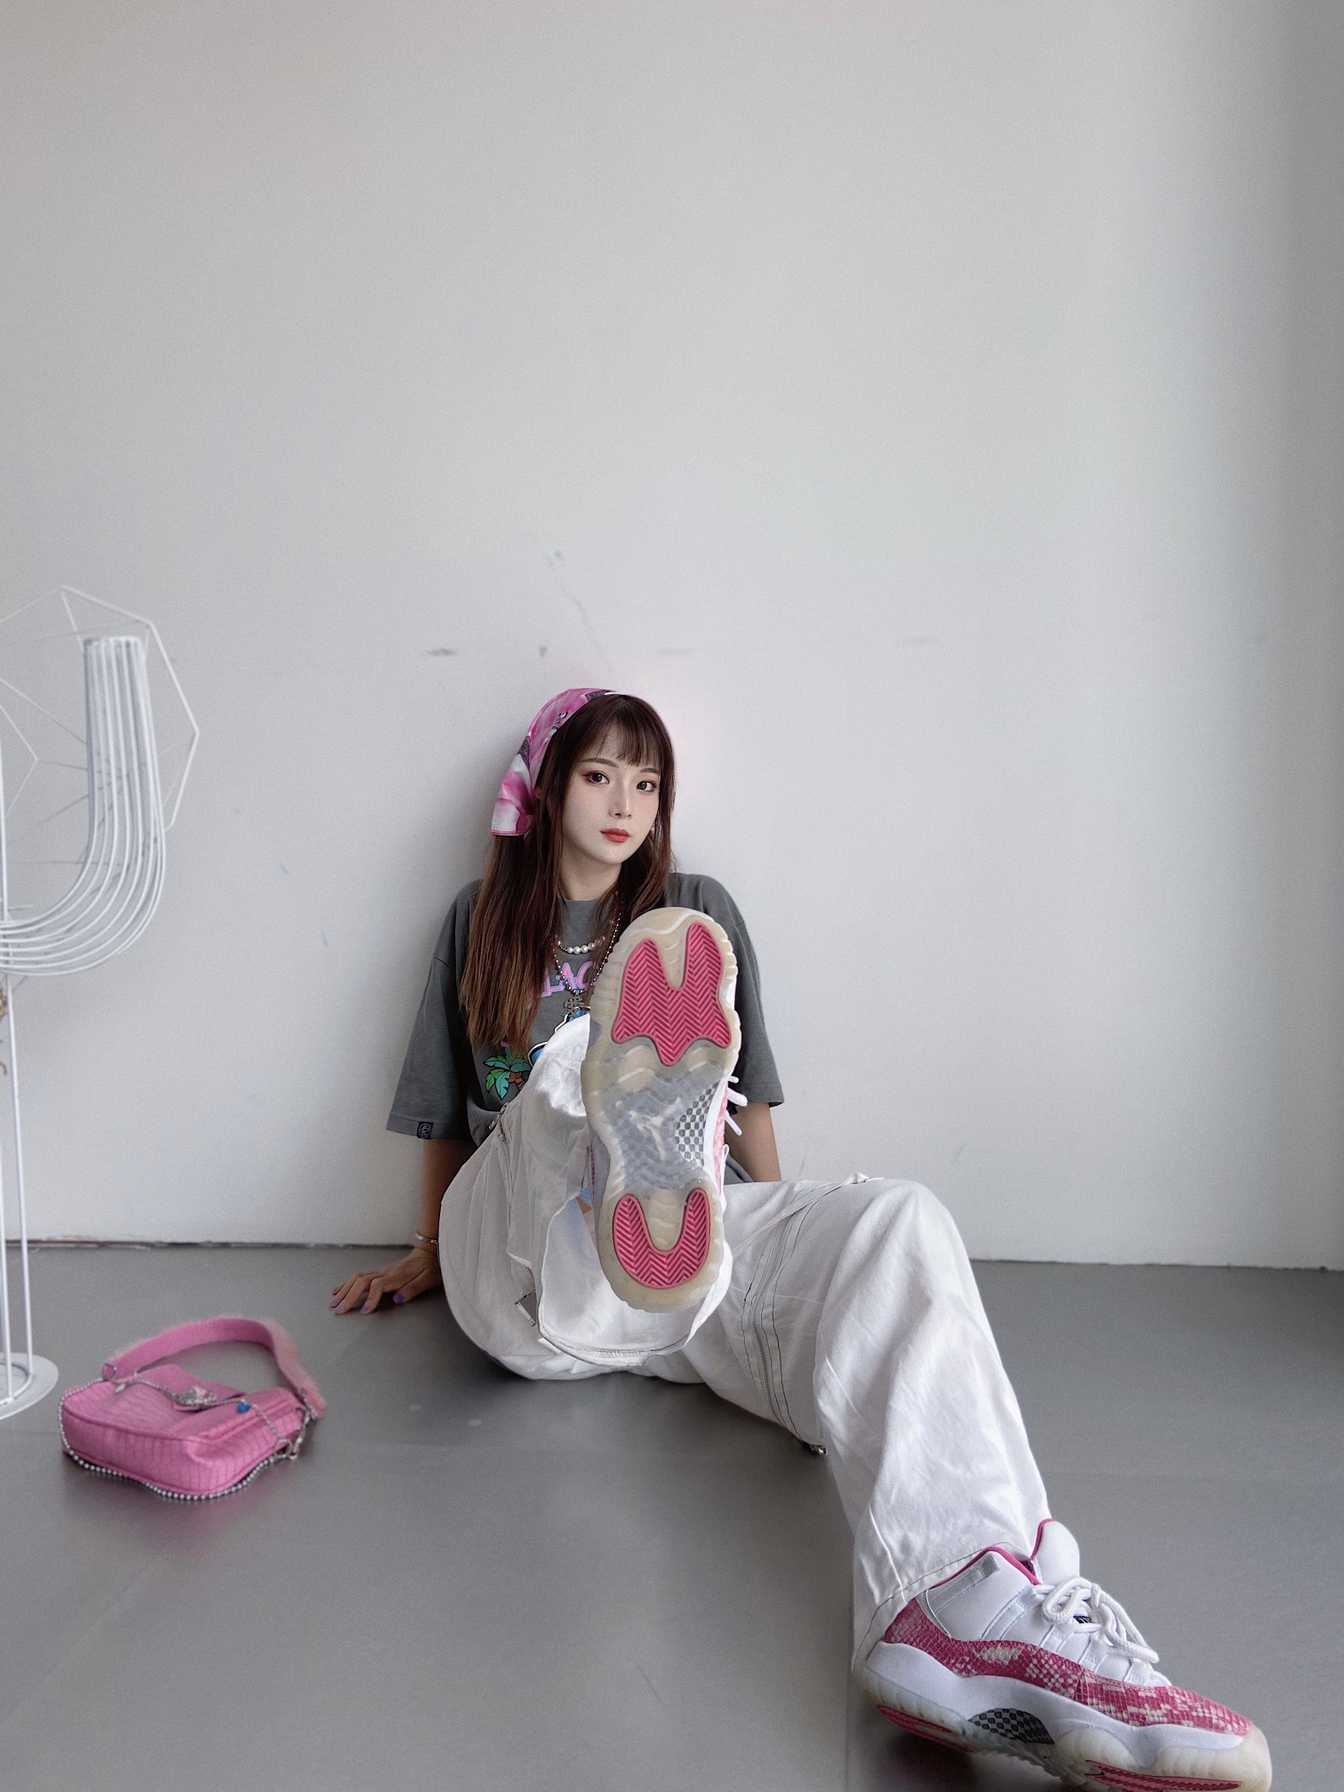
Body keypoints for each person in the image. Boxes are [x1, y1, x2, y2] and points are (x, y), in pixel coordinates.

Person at [333, 688, 1271, 1792]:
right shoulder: (477, 918)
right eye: (599, 776)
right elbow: (447, 1118)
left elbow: (755, 1108)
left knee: (897, 1222)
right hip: (527, 1266)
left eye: (648, 782)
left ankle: (970, 1605)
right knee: (555, 1091)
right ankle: (606, 1118)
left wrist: (792, 1249)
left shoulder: (695, 910)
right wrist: (425, 1249)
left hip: (682, 1269)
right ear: (545, 791)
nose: (626, 802)